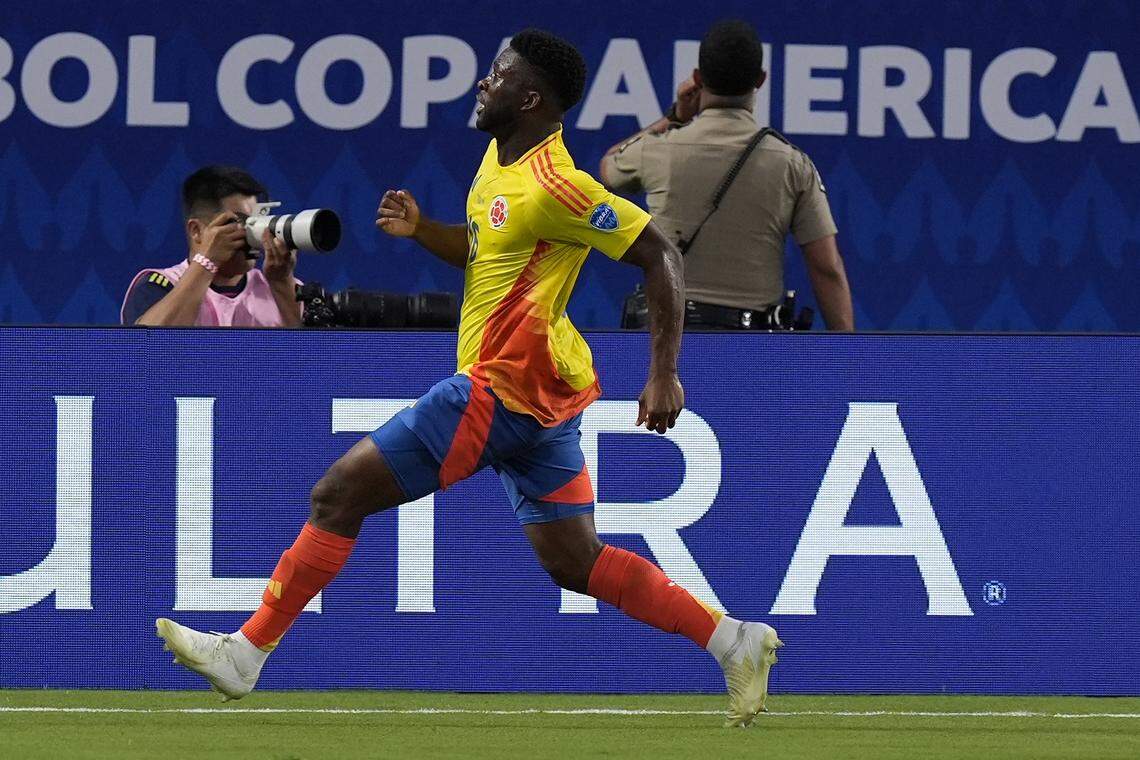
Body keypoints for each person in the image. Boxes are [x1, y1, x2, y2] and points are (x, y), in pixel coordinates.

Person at [155, 29, 782, 728]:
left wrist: (664, 373)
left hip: (500, 389)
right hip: (541, 402)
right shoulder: (497, 160)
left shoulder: (560, 187)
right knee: (575, 561)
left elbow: (661, 254)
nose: (484, 84)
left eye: (498, 76)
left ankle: (247, 650)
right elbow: (488, 251)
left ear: (531, 97)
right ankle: (734, 641)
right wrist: (426, 231)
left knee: (336, 495)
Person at [600, 20, 854, 331]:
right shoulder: (794, 164)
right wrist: (848, 358)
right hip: (752, 348)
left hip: (666, 342)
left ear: (696, 78)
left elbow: (610, 166)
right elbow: (826, 268)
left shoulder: (660, 151)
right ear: (760, 80)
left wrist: (674, 118)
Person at [120, 165, 301, 327]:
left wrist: (281, 283)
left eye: (256, 221)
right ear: (196, 230)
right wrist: (207, 262)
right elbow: (146, 348)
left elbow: (317, 356)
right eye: (239, 221)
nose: (250, 234)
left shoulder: (282, 288)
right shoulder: (160, 285)